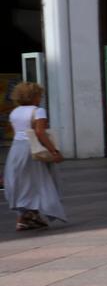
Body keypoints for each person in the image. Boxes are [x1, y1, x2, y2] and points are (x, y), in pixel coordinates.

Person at [5, 83, 65, 231]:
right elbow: (40, 133)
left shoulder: (14, 112)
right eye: (40, 95)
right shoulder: (38, 111)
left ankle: (26, 217)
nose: (41, 98)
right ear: (35, 96)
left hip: (16, 149)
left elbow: (18, 132)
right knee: (39, 180)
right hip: (31, 149)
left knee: (22, 181)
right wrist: (54, 151)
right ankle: (30, 216)